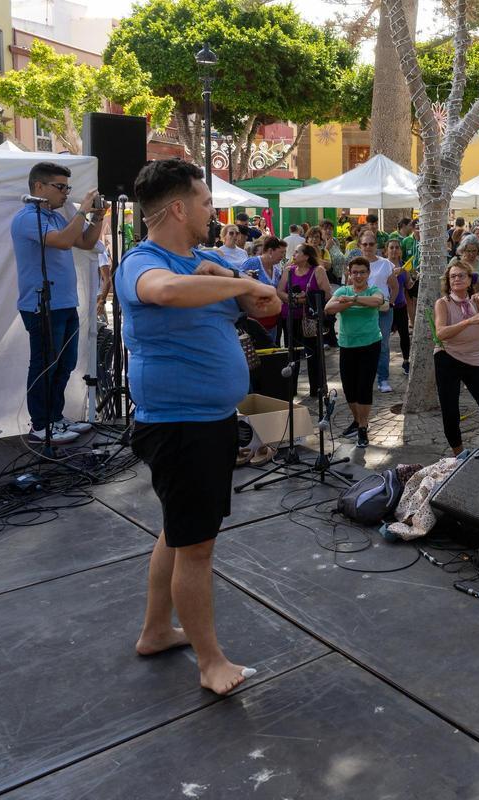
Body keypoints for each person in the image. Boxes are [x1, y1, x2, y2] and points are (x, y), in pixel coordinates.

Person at [119, 158, 280, 694]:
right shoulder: (141, 260)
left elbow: (270, 302)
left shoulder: (209, 259)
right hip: (178, 427)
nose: (214, 212)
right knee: (198, 547)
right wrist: (220, 282)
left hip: (209, 422)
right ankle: (211, 663)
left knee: (179, 528)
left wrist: (228, 277)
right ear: (180, 208)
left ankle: (157, 630)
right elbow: (164, 292)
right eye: (207, 202)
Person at [12, 161, 104, 443]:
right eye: (60, 187)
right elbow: (64, 242)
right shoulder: (28, 218)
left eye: (68, 187)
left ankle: (55, 418)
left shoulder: (55, 217)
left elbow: (85, 242)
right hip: (41, 306)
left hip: (64, 303)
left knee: (65, 364)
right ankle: (41, 424)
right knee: (44, 365)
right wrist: (82, 210)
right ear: (39, 187)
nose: (66, 193)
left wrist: (97, 217)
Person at [431, 263, 479, 455]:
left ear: (469, 280)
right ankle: (459, 455)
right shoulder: (443, 303)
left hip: (475, 359)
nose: (456, 279)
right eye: (453, 276)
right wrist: (470, 321)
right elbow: (440, 333)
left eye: (461, 276)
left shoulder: (476, 301)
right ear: (448, 281)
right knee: (450, 411)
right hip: (448, 358)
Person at [324, 258, 387, 446]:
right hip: (347, 345)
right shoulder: (342, 290)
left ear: (368, 274)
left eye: (362, 272)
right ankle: (357, 420)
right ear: (349, 274)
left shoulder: (372, 290)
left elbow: (378, 301)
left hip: (370, 344)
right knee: (350, 388)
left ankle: (363, 427)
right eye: (355, 272)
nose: (358, 276)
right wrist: (351, 302)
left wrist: (353, 299)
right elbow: (329, 308)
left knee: (364, 387)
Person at [276, 244, 332, 399]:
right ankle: (291, 389)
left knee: (314, 353)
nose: (293, 254)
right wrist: (293, 298)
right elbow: (279, 291)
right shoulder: (289, 270)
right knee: (292, 353)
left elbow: (327, 294)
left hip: (311, 319)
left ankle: (317, 389)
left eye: (297, 251)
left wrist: (306, 298)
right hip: (291, 317)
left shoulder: (318, 271)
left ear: (306, 256)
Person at [355, 232, 398, 393]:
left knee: (383, 345)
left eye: (371, 244)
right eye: (365, 244)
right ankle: (364, 377)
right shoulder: (355, 264)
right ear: (359, 245)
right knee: (361, 343)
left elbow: (394, 286)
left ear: (376, 246)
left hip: (382, 311)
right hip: (360, 310)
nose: (368, 247)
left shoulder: (385, 264)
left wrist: (391, 302)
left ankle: (383, 379)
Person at [240, 236, 287, 342]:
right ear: (270, 251)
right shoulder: (252, 263)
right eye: (281, 252)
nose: (283, 256)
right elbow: (238, 284)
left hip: (272, 320)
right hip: (254, 320)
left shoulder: (276, 269)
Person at [384, 239, 412, 375]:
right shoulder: (383, 265)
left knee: (405, 336)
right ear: (386, 250)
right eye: (391, 248)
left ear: (400, 250)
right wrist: (394, 274)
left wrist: (414, 278)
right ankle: (381, 364)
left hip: (400, 306)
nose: (394, 250)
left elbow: (408, 285)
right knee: (383, 337)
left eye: (396, 247)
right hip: (386, 306)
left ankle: (406, 360)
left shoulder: (404, 266)